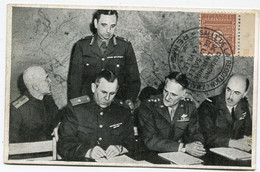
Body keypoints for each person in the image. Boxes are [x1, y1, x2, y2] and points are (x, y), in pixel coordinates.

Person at [67, 9, 141, 109]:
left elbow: (134, 81)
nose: (108, 31)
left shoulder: (124, 47)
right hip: (88, 105)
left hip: (115, 105)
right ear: (96, 23)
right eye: (104, 25)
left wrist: (129, 101)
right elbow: (75, 82)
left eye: (112, 26)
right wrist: (77, 107)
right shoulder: (82, 46)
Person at [58, 70, 134, 161]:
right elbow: (64, 145)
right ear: (94, 88)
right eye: (104, 92)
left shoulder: (122, 110)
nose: (107, 98)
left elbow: (132, 142)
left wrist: (120, 148)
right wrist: (88, 152)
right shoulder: (76, 109)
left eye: (112, 93)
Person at [137, 72, 206, 159]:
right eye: (165, 91)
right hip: (150, 155)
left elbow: (195, 132)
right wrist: (184, 147)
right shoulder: (148, 106)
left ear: (183, 95)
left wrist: (197, 143)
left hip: (177, 155)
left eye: (173, 94)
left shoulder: (189, 107)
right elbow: (150, 140)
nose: (167, 97)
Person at [198, 74, 252, 153]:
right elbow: (206, 136)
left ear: (244, 94)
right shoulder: (208, 105)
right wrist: (234, 143)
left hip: (236, 154)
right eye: (228, 90)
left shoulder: (243, 106)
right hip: (211, 155)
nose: (230, 97)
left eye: (237, 93)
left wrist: (248, 141)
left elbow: (248, 131)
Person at [9, 66, 60, 143]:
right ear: (36, 87)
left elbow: (57, 121)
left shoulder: (49, 100)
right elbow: (12, 146)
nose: (50, 81)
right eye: (46, 79)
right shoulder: (17, 110)